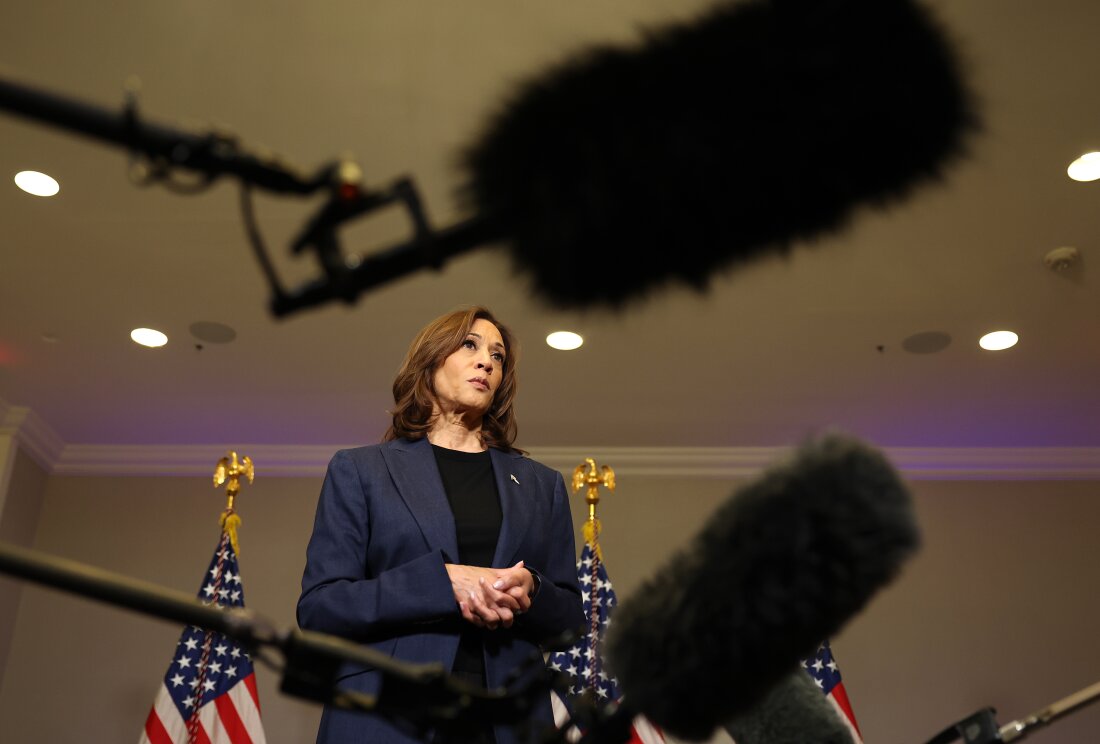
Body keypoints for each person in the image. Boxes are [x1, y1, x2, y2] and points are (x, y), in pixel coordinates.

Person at [298, 306, 585, 744]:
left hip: (506, 721)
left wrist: (532, 590)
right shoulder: (361, 470)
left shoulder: (541, 485)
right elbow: (321, 607)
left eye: (498, 355)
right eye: (469, 345)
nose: (487, 361)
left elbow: (570, 619)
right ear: (430, 361)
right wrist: (441, 583)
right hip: (387, 716)